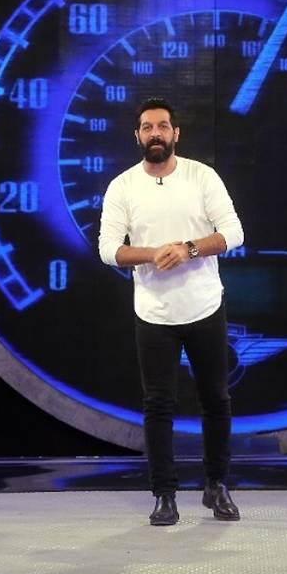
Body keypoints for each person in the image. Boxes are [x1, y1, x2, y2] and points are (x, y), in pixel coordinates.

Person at [98, 97, 245, 526]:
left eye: (162, 126)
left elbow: (234, 232)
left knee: (216, 400)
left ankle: (216, 486)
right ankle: (164, 494)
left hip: (204, 306)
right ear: (137, 136)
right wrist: (153, 254)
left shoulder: (202, 177)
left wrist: (189, 249)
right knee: (158, 405)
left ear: (176, 133)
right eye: (147, 127)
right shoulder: (123, 186)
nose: (155, 133)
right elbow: (108, 249)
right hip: (154, 314)